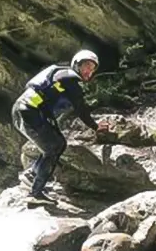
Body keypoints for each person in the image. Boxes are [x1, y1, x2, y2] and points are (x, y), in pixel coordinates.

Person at [12, 50, 110, 201]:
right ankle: (35, 193)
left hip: (23, 109)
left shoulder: (60, 73)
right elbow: (81, 109)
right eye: (86, 66)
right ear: (76, 65)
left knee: (56, 144)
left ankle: (31, 176)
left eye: (92, 70)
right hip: (29, 111)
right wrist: (96, 126)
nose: (88, 72)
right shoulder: (70, 79)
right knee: (54, 147)